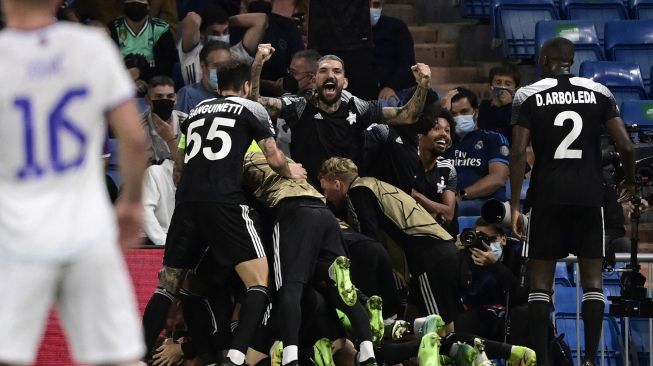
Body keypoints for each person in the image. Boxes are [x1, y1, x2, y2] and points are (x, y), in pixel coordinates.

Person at [0, 1, 149, 365]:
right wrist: (131, 201)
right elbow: (133, 138)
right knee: (119, 358)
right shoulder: (91, 47)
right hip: (86, 228)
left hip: (17, 233)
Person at [141, 60, 306, 366]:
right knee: (258, 281)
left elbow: (178, 169)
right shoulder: (251, 109)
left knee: (168, 285)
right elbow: (273, 157)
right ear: (246, 87)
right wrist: (290, 169)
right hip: (225, 203)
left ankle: (137, 357)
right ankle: (236, 355)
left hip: (187, 204)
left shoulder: (193, 113)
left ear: (218, 87)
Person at [509, 37, 636, 366]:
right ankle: (591, 359)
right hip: (589, 196)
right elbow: (627, 146)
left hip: (547, 196)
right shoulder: (600, 93)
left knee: (540, 284)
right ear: (572, 60)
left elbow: (520, 153)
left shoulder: (528, 95)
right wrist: (630, 181)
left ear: (546, 59)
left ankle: (542, 360)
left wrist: (514, 205)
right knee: (593, 283)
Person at [242, 151, 379, 366]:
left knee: (290, 286)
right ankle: (367, 352)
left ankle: (290, 357)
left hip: (292, 210)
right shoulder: (283, 156)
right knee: (341, 286)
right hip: (324, 212)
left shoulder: (244, 158)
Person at [318, 157, 463, 333]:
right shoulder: (374, 184)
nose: (325, 196)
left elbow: (368, 243)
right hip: (443, 250)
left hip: (430, 257)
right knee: (417, 323)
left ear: (337, 184)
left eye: (325, 189)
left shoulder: (358, 192)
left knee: (436, 330)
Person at [252, 45, 433, 185]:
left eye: (336, 71)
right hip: (310, 190)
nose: (330, 75)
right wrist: (258, 64)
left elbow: (408, 116)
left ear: (344, 82)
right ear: (314, 80)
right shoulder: (299, 105)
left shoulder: (358, 107)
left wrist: (423, 85)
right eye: (323, 71)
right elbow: (255, 106)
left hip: (350, 191)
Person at [444, 87, 510, 216]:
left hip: (487, 206)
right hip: (449, 205)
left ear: (476, 112)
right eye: (453, 114)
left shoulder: (493, 139)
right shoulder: (442, 142)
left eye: (464, 111)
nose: (458, 118)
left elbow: (498, 178)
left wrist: (461, 195)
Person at [179, 6, 267, 85]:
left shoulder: (237, 54)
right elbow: (192, 18)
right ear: (202, 33)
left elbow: (261, 19)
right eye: (215, 33)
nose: (222, 37)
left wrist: (227, 21)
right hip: (196, 101)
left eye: (225, 31)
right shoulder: (192, 52)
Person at [412, 109, 459, 237]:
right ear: (420, 134)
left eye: (447, 130)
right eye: (436, 128)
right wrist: (435, 210)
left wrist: (416, 196)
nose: (444, 134)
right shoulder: (407, 162)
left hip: (436, 233)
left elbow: (449, 214)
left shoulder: (448, 168)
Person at [109, 0, 178, 79]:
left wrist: (141, 74)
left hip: (154, 84)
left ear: (149, 5)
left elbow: (167, 66)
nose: (136, 1)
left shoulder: (161, 29)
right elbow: (108, 67)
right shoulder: (113, 28)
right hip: (121, 84)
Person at [370, 0, 417, 108]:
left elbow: (407, 63)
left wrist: (391, 86)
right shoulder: (351, 31)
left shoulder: (397, 27)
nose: (371, 9)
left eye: (376, 5)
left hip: (400, 88)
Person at [175, 40, 231, 114]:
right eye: (217, 66)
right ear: (202, 66)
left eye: (226, 65)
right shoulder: (188, 95)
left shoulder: (238, 95)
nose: (222, 70)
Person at [143, 75, 187, 162]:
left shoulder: (187, 123)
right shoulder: (137, 126)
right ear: (147, 99)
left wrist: (170, 139)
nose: (165, 100)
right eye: (159, 97)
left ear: (175, 98)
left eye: (170, 96)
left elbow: (185, 165)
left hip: (179, 173)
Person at [477, 62, 520, 142]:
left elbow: (514, 135)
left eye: (508, 84)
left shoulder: (519, 109)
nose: (502, 87)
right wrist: (497, 107)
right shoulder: (484, 106)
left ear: (515, 90)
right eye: (498, 83)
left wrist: (507, 106)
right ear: (490, 86)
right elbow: (484, 129)